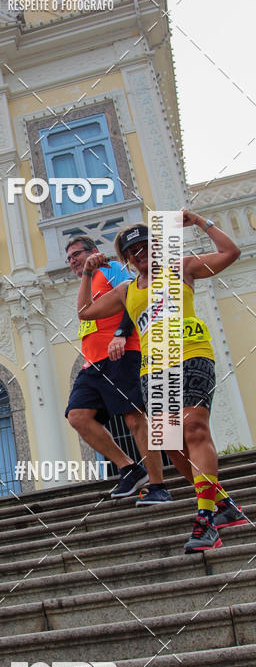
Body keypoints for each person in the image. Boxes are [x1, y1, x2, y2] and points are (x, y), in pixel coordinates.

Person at [77, 213, 248, 552]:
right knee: (170, 444)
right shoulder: (126, 291)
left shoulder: (182, 268)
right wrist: (86, 273)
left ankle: (206, 520)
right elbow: (84, 312)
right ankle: (224, 505)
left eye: (145, 246)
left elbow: (230, 253)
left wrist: (199, 221)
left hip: (191, 354)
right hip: (153, 369)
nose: (140, 254)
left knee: (194, 428)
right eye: (133, 251)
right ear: (127, 259)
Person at [65, 236, 172, 504]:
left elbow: (133, 297)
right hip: (93, 363)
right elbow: (84, 314)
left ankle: (158, 485)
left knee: (134, 419)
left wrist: (122, 334)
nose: (72, 261)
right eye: (69, 258)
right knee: (77, 415)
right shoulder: (88, 281)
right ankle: (130, 468)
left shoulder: (111, 268)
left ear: (94, 252)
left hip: (121, 353)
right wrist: (86, 273)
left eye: (76, 254)